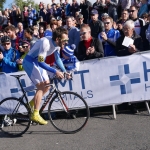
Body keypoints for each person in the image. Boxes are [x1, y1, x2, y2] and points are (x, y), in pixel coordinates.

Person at [22, 27, 70, 125]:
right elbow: (40, 62)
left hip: (37, 62)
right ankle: (35, 113)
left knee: (47, 85)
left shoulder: (57, 44)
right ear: (58, 39)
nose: (66, 42)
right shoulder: (46, 43)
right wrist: (55, 71)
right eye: (65, 40)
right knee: (41, 86)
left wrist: (64, 71)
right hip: (30, 62)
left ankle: (30, 104)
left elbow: (57, 59)